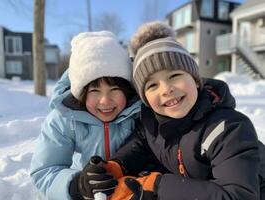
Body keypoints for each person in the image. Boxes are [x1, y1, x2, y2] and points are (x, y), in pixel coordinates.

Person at [93, 21, 265, 200]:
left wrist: (158, 187)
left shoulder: (228, 128)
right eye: (152, 85)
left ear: (196, 80)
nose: (166, 89)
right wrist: (115, 166)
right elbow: (138, 145)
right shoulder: (152, 122)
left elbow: (237, 195)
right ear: (145, 99)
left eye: (174, 75)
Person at [30, 31, 142, 200]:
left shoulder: (138, 112)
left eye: (114, 89)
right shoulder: (65, 117)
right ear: (80, 94)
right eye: (94, 91)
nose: (105, 101)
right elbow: (45, 170)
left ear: (127, 90)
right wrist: (76, 185)